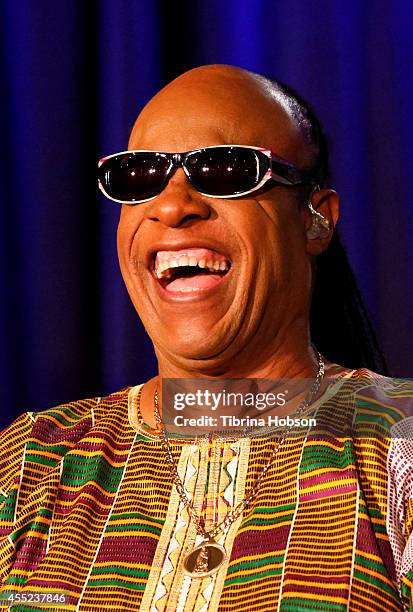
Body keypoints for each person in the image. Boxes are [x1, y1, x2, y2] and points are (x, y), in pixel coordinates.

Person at [0, 64, 412, 611]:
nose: (171, 206)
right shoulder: (33, 462)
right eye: (138, 178)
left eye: (227, 170)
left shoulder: (398, 449)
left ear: (317, 219)